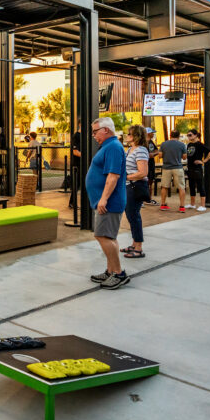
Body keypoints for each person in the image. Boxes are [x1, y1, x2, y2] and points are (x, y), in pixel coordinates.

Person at [86, 117, 130, 290]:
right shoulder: (109, 146)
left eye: (95, 131)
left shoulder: (112, 147)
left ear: (106, 130)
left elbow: (113, 176)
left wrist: (103, 198)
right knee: (109, 237)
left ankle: (118, 273)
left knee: (102, 236)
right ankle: (111, 270)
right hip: (106, 201)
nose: (94, 135)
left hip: (109, 202)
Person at [121, 125, 150, 259]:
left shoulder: (141, 150)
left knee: (134, 216)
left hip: (135, 186)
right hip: (129, 186)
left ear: (135, 136)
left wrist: (125, 177)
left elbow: (143, 172)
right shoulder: (130, 150)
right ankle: (134, 243)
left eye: (129, 134)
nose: (127, 136)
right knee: (131, 216)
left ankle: (138, 248)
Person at [158, 130, 188, 212]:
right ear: (178, 136)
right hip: (178, 167)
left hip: (166, 167)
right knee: (181, 187)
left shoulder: (164, 144)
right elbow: (184, 157)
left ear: (170, 135)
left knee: (164, 186)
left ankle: (163, 205)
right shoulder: (182, 145)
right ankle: (182, 206)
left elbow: (160, 155)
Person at [185, 130, 210, 212]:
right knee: (191, 185)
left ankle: (203, 205)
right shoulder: (189, 144)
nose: (189, 137)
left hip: (197, 168)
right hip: (190, 167)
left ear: (195, 135)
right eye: (188, 135)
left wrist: (203, 161)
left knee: (200, 186)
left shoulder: (200, 144)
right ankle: (192, 204)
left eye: (190, 135)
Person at [144, 127, 159, 205]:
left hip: (151, 164)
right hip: (144, 165)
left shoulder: (151, 142)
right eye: (152, 133)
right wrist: (148, 155)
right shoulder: (142, 142)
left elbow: (157, 150)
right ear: (147, 133)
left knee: (150, 181)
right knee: (143, 182)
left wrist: (152, 154)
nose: (153, 134)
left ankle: (149, 199)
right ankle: (142, 200)